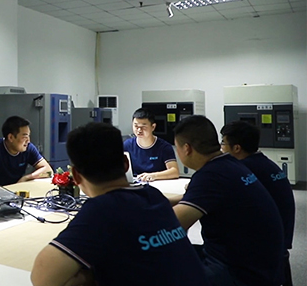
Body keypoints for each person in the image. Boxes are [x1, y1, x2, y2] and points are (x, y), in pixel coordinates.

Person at [31, 122, 208, 286]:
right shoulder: (153, 196)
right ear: (125, 164)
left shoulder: (102, 210)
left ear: (75, 176)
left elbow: (42, 278)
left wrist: (92, 275)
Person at [172, 115, 284, 286]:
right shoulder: (229, 164)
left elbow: (173, 223)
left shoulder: (210, 175)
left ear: (186, 148)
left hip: (241, 272)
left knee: (161, 264)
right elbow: (199, 198)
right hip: (262, 262)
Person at [220, 121, 296, 286]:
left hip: (265, 249)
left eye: (223, 143)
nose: (221, 148)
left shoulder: (245, 170)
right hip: (280, 242)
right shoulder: (265, 164)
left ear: (237, 148)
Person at [0, 116, 53, 186]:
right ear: (11, 137)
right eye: (25, 137)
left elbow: (49, 171)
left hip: (17, 190)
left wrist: (27, 178)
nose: (28, 141)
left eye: (29, 136)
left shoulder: (29, 148)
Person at [123, 108, 179, 181]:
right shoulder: (127, 145)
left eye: (143, 127)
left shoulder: (164, 147)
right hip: (135, 183)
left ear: (153, 127)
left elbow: (174, 171)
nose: (139, 130)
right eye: (136, 126)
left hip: (157, 183)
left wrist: (153, 175)